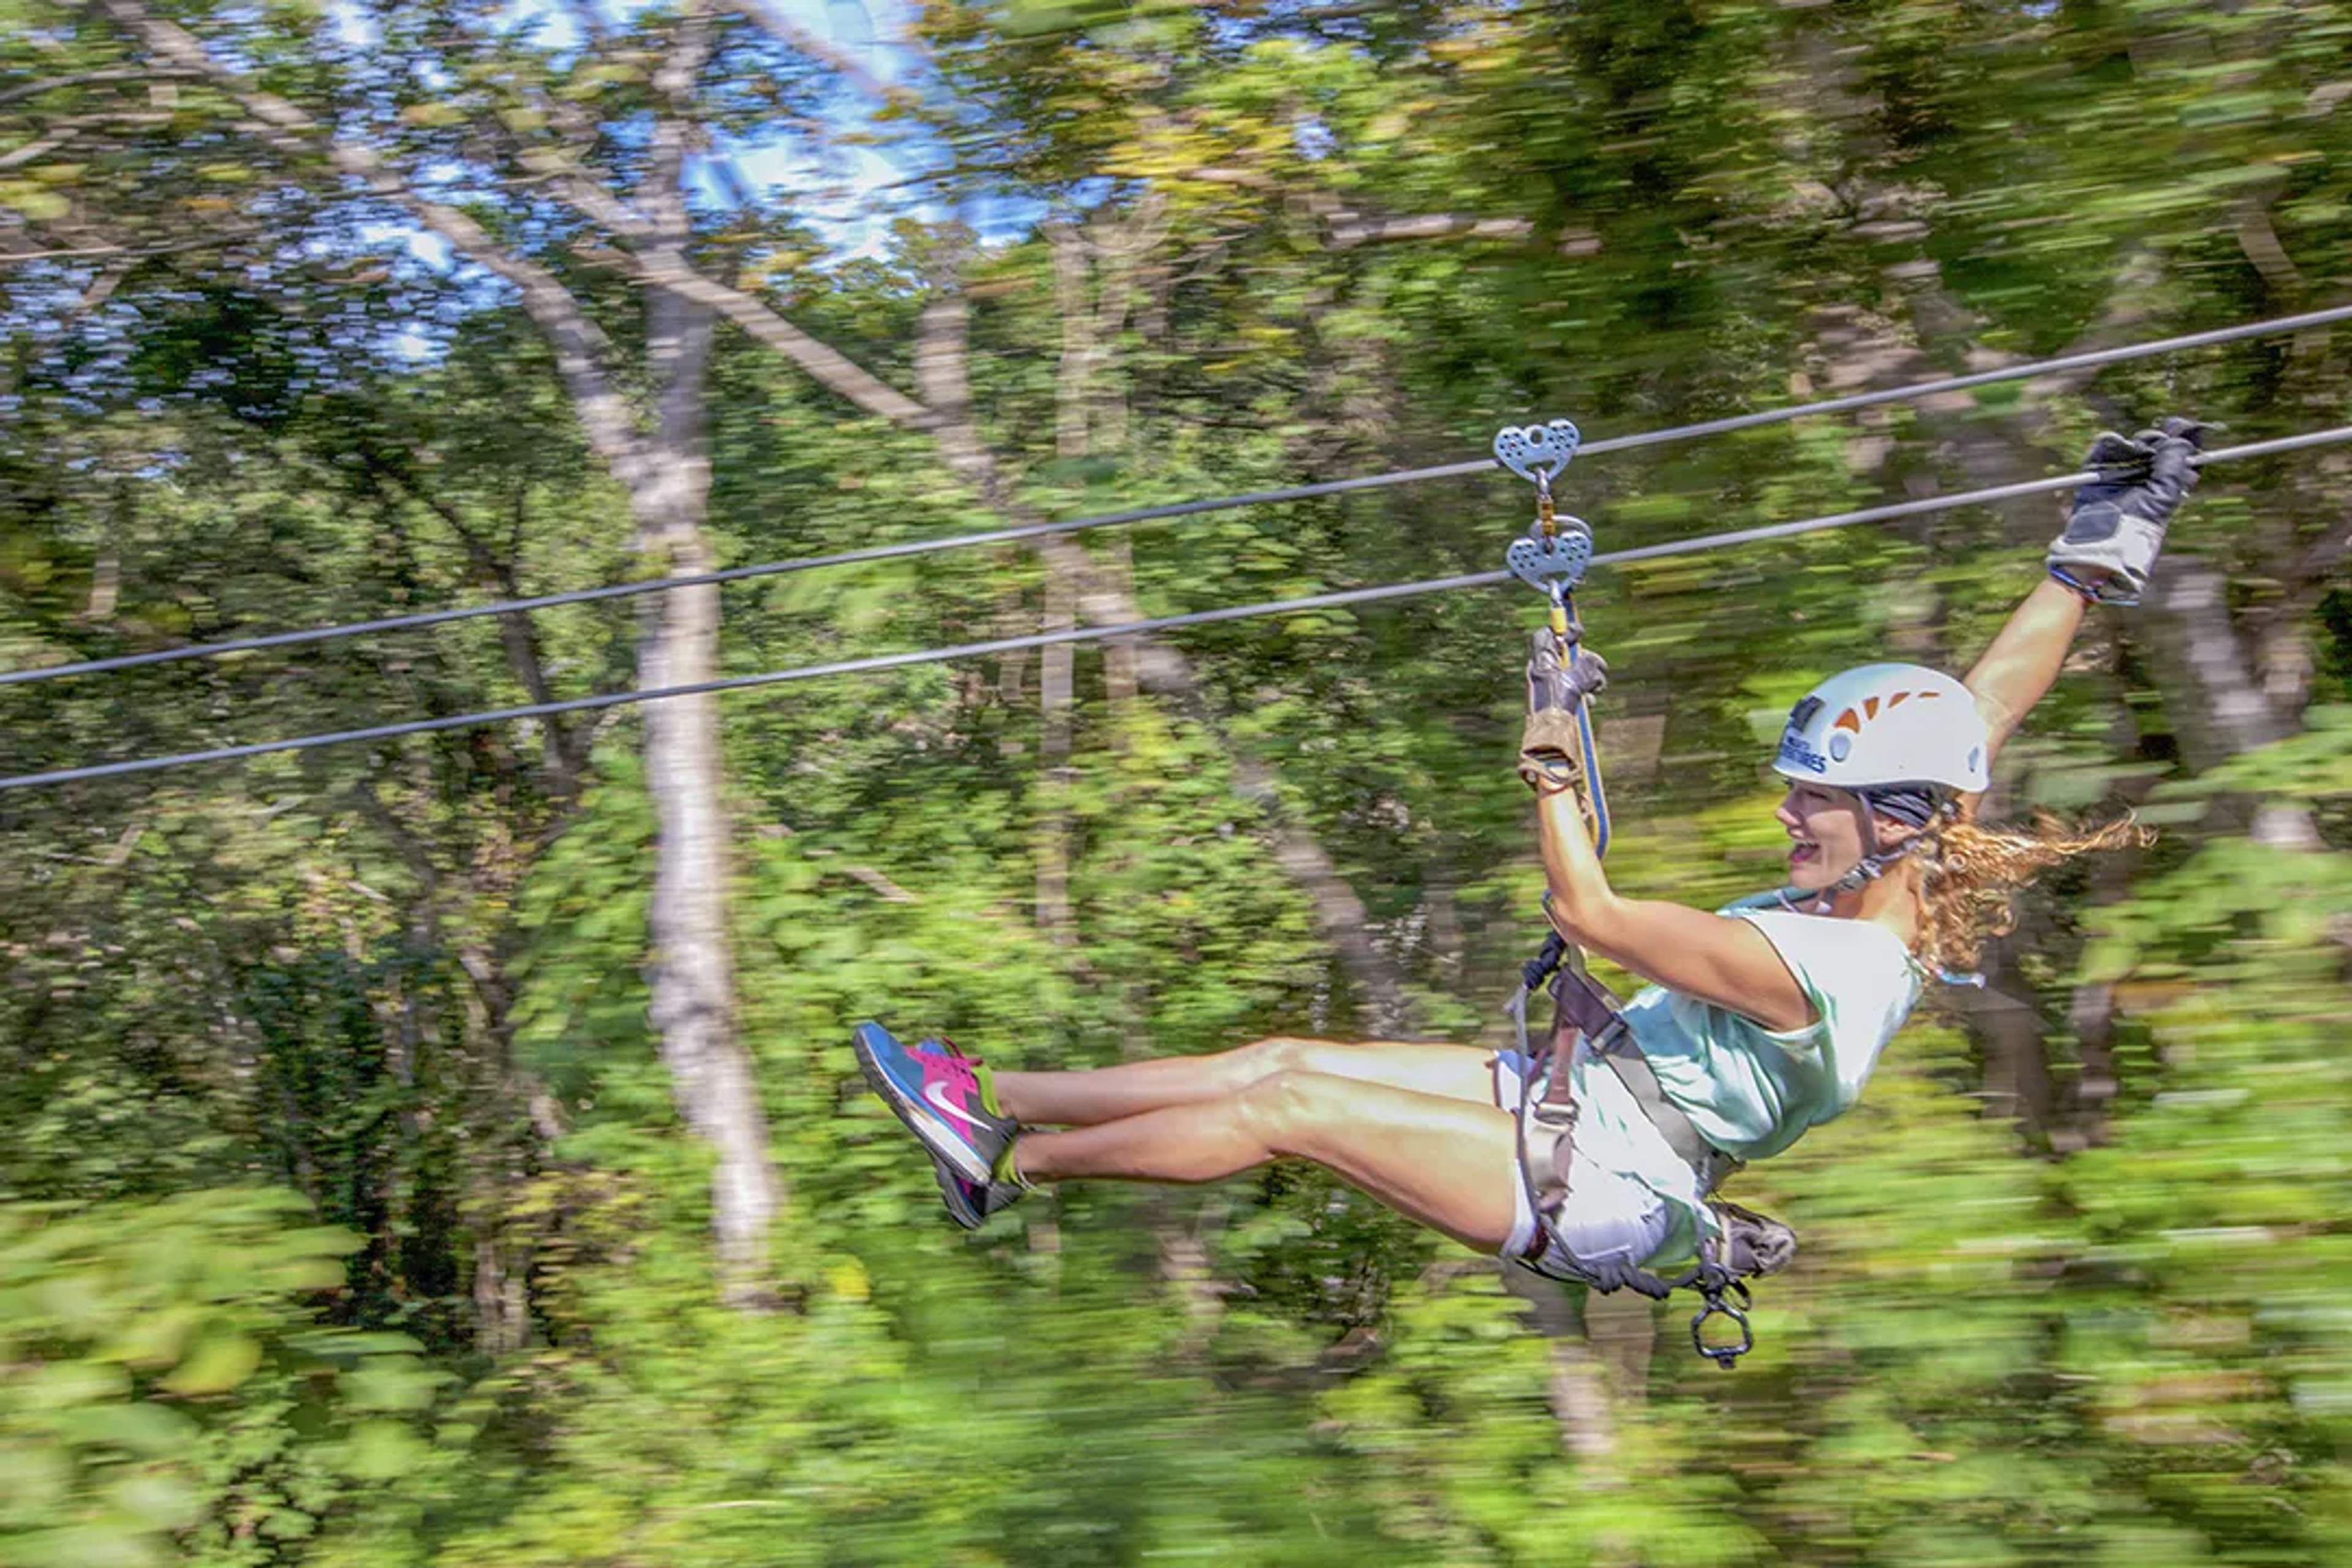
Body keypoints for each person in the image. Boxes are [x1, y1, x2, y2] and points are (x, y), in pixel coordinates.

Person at [853, 420, 2202, 1289]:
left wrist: (1552, 742)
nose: (1789, 816)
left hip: (1608, 1180)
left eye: (1817, 802)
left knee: (1290, 1114)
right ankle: (980, 1086)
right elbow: (1984, 707)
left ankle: (1010, 1162)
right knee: (1277, 1060)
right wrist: (2093, 555)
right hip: (1579, 1097)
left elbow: (1591, 907)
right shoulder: (1891, 864)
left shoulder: (1825, 964)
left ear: (1900, 819)